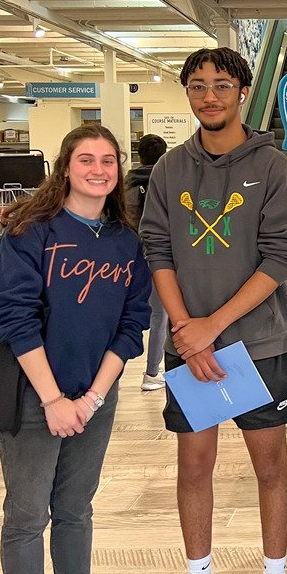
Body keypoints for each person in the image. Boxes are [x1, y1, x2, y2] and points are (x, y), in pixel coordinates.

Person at [140, 46, 287, 574]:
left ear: (241, 91)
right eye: (197, 86)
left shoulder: (273, 166)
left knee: (270, 465)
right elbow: (156, 249)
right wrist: (187, 329)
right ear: (187, 93)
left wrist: (214, 325)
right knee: (193, 465)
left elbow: (281, 254)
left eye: (220, 85)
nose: (209, 96)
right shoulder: (169, 171)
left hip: (255, 345)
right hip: (191, 345)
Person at [0, 123, 151, 574]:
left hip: (93, 400)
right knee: (28, 515)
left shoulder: (125, 243)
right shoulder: (30, 232)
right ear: (65, 167)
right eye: (87, 159)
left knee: (76, 510)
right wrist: (54, 399)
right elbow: (12, 318)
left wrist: (94, 398)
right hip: (35, 400)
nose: (99, 169)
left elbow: (132, 326)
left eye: (109, 160)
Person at [126, 133, 169, 390]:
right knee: (160, 315)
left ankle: (109, 373)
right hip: (158, 255)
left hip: (126, 256)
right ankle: (152, 373)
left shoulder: (124, 184)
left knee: (119, 312)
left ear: (139, 156)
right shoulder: (168, 181)